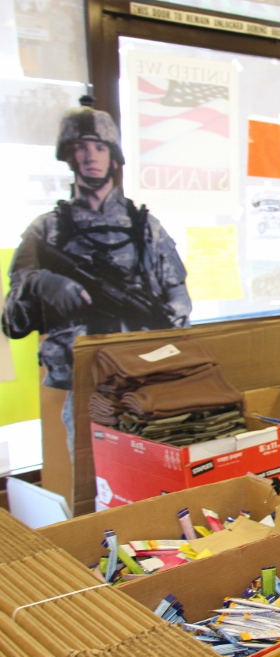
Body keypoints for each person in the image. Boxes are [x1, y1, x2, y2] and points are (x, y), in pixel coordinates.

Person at [2, 99, 191, 451]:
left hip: (142, 379)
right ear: (69, 156)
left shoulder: (145, 226)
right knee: (95, 481)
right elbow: (13, 320)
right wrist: (46, 283)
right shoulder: (46, 232)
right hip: (83, 380)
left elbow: (177, 296)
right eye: (81, 147)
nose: (91, 155)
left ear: (113, 156)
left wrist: (169, 328)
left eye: (100, 147)